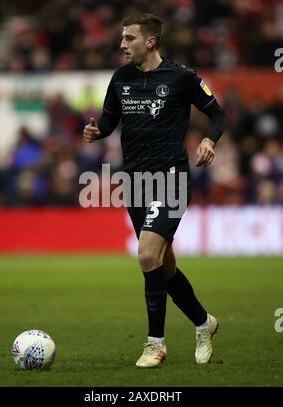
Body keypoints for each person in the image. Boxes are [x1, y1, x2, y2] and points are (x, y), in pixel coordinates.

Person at [82, 13, 226, 368]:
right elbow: (109, 120)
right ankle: (203, 323)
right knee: (164, 267)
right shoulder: (120, 80)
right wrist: (96, 131)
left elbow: (217, 113)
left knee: (147, 256)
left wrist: (209, 139)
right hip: (135, 183)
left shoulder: (181, 77)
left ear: (149, 42)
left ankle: (155, 344)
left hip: (172, 178)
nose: (121, 44)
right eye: (122, 38)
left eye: (129, 38)